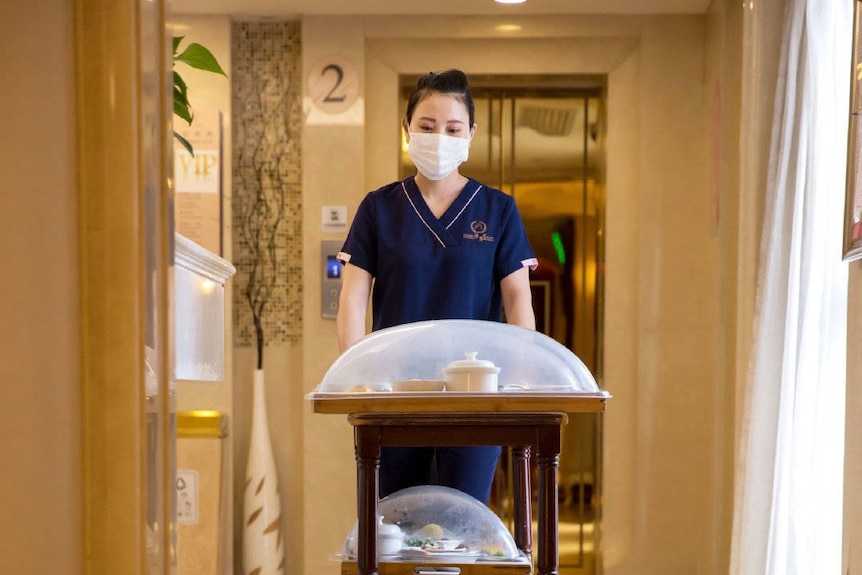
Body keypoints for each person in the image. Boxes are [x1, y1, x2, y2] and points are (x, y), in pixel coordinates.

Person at [335, 69, 537, 504]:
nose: (439, 137)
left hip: (476, 396)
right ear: (407, 129)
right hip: (395, 396)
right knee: (395, 520)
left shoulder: (498, 210)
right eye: (426, 127)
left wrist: (521, 380)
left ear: (471, 134)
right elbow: (352, 298)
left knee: (463, 521)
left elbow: (518, 298)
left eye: (453, 128)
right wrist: (358, 377)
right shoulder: (379, 208)